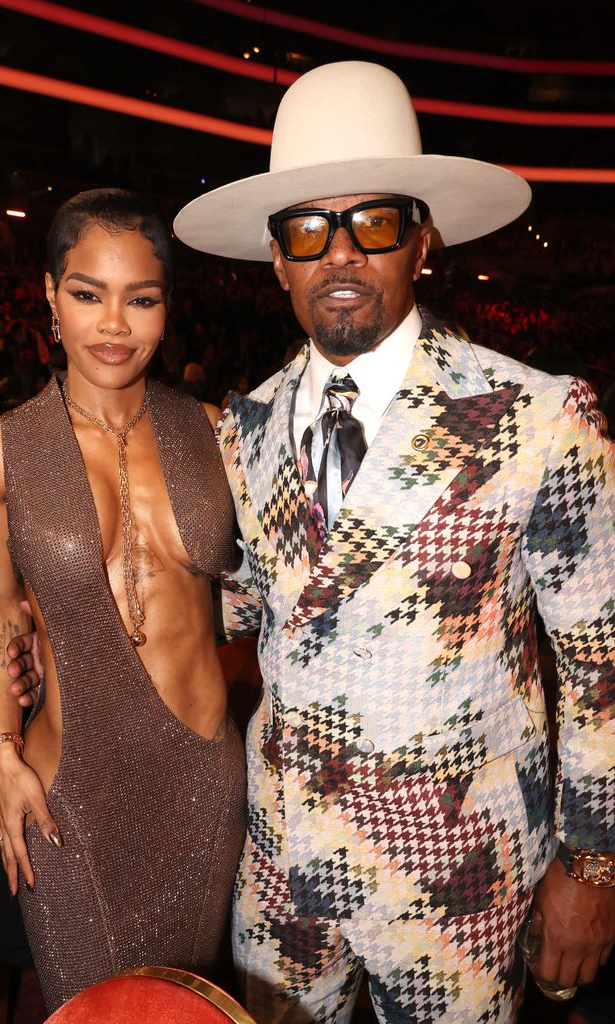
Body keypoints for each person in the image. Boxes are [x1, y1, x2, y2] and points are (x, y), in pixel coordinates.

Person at [171, 62, 614, 1022]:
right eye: (308, 229)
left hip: (457, 878)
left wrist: (594, 863)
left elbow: (600, 663)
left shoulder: (538, 415)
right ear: (278, 258)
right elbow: (240, 612)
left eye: (373, 222)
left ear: (421, 242)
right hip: (283, 867)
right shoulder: (242, 427)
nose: (340, 254)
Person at [0, 188, 247, 1014]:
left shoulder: (216, 432)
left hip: (200, 785)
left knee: (184, 1008)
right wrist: (3, 754)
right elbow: (6, 611)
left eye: (141, 299)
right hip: (68, 790)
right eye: (89, 294)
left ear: (167, 308)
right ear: (51, 297)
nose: (114, 325)